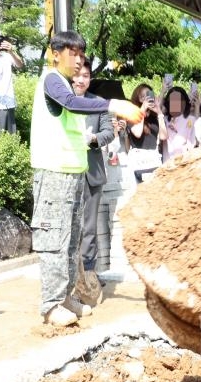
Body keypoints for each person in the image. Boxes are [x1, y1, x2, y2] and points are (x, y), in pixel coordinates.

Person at [30, 30, 143, 327]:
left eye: (81, 55)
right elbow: (69, 102)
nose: (79, 61)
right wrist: (112, 104)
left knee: (70, 241)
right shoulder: (51, 79)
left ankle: (66, 296)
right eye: (73, 54)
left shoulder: (64, 83)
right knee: (55, 238)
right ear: (56, 53)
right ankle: (51, 304)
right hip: (53, 171)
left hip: (73, 171)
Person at [72, 60, 116, 289]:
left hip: (92, 170)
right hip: (66, 170)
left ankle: (88, 273)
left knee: (89, 227)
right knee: (70, 227)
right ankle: (70, 275)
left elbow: (110, 132)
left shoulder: (99, 103)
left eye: (86, 75)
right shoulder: (60, 101)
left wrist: (94, 139)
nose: (81, 79)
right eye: (77, 74)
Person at [127, 83, 166, 179]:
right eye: (143, 96)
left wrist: (159, 113)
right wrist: (142, 109)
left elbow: (163, 136)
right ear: (138, 98)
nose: (146, 99)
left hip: (153, 159)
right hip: (138, 160)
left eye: (148, 95)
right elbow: (137, 133)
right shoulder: (132, 114)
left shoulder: (154, 116)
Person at [162, 86, 197, 162]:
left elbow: (193, 142)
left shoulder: (191, 120)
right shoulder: (163, 119)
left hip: (185, 164)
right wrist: (162, 92)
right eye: (172, 100)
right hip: (167, 164)